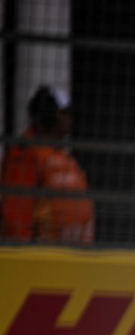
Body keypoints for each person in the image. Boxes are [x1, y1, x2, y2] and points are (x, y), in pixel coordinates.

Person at [3, 85, 95, 244]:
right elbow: (16, 212)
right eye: (64, 112)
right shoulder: (26, 152)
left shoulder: (60, 154)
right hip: (40, 253)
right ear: (47, 115)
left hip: (67, 253)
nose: (69, 118)